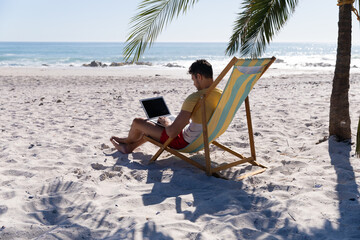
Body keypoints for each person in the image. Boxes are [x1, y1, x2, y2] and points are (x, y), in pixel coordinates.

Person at [110, 59, 222, 154]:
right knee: (152, 125)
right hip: (204, 138)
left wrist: (166, 123)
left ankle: (127, 141)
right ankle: (129, 147)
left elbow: (172, 133)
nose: (194, 84)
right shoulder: (221, 94)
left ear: (199, 76)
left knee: (138, 122)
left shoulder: (195, 98)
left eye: (193, 80)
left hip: (182, 142)